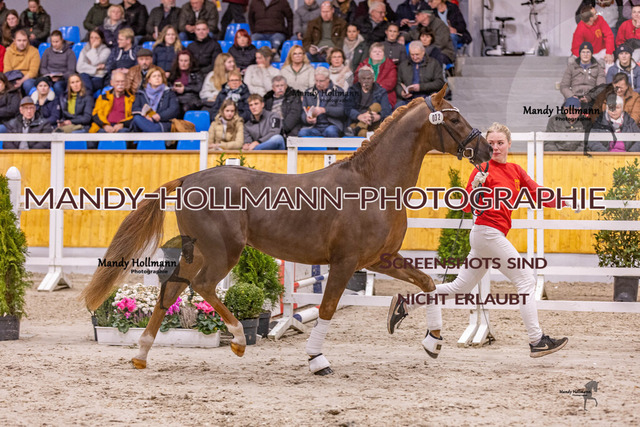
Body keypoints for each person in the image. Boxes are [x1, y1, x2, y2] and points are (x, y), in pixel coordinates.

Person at [387, 122, 570, 359]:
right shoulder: (482, 169)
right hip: (487, 233)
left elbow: (536, 191)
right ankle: (537, 340)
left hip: (489, 237)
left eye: (500, 143)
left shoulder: (515, 171)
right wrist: (474, 188)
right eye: (491, 143)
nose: (496, 147)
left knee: (459, 287)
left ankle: (406, 303)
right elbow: (465, 206)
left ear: (509, 144)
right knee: (526, 280)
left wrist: (563, 200)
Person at [131, 66, 180, 138]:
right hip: (146, 121)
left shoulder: (169, 92)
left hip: (162, 123)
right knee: (137, 118)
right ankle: (154, 133)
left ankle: (151, 133)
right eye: (154, 76)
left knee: (152, 128)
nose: (157, 78)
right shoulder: (141, 93)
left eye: (159, 76)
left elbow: (174, 109)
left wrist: (159, 116)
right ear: (149, 80)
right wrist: (150, 114)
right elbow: (135, 108)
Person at [344, 65, 390, 136]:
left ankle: (357, 128)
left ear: (373, 79)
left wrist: (379, 116)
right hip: (357, 120)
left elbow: (387, 110)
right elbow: (347, 108)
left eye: (369, 79)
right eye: (363, 78)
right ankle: (359, 128)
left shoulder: (381, 91)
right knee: (362, 133)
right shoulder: (352, 90)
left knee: (376, 106)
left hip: (375, 122)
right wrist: (359, 116)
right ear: (359, 80)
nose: (366, 81)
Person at [89, 70, 134, 142]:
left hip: (122, 128)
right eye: (117, 82)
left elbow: (134, 116)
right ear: (111, 83)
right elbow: (95, 114)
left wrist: (123, 124)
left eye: (122, 81)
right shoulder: (103, 97)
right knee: (99, 134)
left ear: (126, 83)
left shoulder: (132, 98)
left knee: (124, 133)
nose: (120, 84)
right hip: (104, 126)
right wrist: (105, 125)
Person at [299, 66, 345, 137]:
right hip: (313, 126)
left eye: (321, 81)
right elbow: (303, 112)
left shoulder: (338, 91)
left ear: (328, 79)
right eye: (316, 81)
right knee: (302, 133)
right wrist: (307, 119)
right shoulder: (308, 92)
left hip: (332, 125)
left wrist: (324, 110)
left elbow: (342, 111)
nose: (318, 84)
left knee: (331, 131)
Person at [395, 41, 445, 106]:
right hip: (408, 99)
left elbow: (440, 82)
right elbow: (398, 83)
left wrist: (421, 87)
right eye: (412, 55)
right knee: (397, 107)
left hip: (428, 98)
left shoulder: (433, 64)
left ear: (423, 52)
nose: (414, 57)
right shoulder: (403, 65)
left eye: (417, 54)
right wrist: (401, 93)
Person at [572, 4, 615, 70]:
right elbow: (576, 48)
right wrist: (587, 58)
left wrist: (609, 52)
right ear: (590, 18)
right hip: (588, 53)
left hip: (601, 50)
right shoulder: (580, 29)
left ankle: (610, 76)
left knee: (610, 59)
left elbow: (609, 35)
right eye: (595, 14)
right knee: (576, 60)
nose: (597, 14)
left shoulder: (600, 19)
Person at [354, 42, 397, 106]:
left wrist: (373, 89)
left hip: (384, 97)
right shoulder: (363, 64)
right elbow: (356, 80)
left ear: (384, 54)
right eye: (374, 51)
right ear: (370, 54)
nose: (377, 53)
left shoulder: (390, 65)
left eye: (380, 51)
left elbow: (390, 83)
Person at [39, 30, 76, 98]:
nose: (55, 44)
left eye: (57, 42)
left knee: (57, 86)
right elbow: (43, 67)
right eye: (53, 42)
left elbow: (71, 70)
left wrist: (61, 77)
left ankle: (61, 103)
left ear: (62, 40)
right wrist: (49, 75)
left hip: (63, 79)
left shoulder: (69, 53)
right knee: (41, 85)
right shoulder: (47, 52)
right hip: (49, 78)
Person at [3, 29, 39, 95]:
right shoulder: (9, 51)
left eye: (24, 40)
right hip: (13, 78)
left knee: (28, 83)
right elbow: (7, 71)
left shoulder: (34, 51)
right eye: (19, 40)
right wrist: (15, 80)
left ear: (28, 41)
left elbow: (33, 72)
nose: (22, 43)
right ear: (14, 41)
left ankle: (29, 101)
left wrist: (21, 81)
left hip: (27, 78)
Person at [168, 49, 203, 114]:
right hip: (175, 97)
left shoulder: (196, 72)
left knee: (184, 108)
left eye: (186, 61)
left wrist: (184, 89)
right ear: (178, 61)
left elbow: (198, 87)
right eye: (181, 60)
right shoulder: (173, 72)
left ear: (190, 62)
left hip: (190, 99)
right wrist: (173, 88)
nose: (183, 63)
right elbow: (168, 86)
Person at [77, 29, 111, 94]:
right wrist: (96, 68)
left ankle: (87, 96)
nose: (93, 40)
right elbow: (79, 67)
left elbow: (95, 62)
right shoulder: (85, 49)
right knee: (82, 77)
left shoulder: (106, 50)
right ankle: (88, 97)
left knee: (83, 86)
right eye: (91, 37)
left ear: (101, 39)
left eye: (96, 38)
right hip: (86, 76)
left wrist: (93, 48)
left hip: (98, 77)